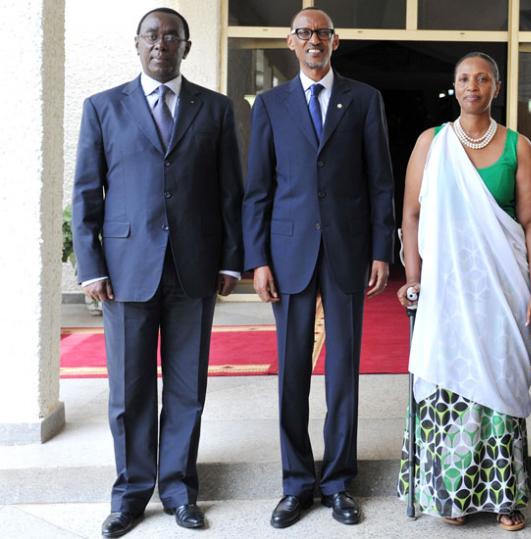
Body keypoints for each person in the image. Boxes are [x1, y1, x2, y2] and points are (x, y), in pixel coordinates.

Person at [71, 7, 243, 537]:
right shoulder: (103, 107)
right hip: (125, 270)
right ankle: (129, 495)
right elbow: (86, 193)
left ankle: (179, 491)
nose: (160, 44)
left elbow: (230, 192)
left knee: (188, 389)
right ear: (137, 43)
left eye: (171, 37)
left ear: (186, 47)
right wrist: (91, 266)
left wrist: (230, 258)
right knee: (130, 391)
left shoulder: (215, 109)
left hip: (194, 268)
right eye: (151, 35)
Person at [242, 7, 394, 529]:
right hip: (288, 254)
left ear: (335, 41)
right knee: (292, 371)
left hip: (349, 250)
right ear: (291, 42)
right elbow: (258, 188)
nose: (314, 40)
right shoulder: (270, 104)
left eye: (322, 33)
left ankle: (338, 482)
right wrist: (258, 259)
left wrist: (381, 249)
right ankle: (295, 482)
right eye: (304, 33)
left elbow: (380, 181)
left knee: (343, 371)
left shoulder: (364, 99)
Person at [396, 52, 531, 532]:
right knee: (447, 382)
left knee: (501, 383)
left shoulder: (518, 146)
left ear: (495, 88)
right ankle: (452, 494)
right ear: (455, 85)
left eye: (482, 79)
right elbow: (412, 215)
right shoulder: (432, 143)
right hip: (444, 292)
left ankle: (506, 496)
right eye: (464, 78)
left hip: (502, 290)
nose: (472, 86)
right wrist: (414, 278)